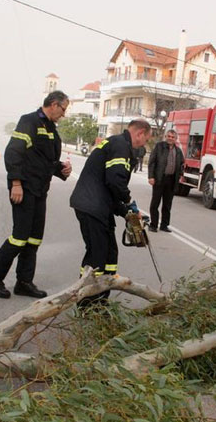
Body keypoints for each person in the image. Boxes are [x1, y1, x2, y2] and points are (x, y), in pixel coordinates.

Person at [0, 91, 73, 299]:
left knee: (34, 238)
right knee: (19, 237)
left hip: (40, 190)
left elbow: (43, 159)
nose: (64, 114)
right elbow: (14, 153)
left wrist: (61, 169)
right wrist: (16, 183)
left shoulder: (50, 128)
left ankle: (24, 282)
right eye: (64, 109)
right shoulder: (29, 121)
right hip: (24, 188)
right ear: (54, 104)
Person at [69, 119, 152, 308]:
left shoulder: (116, 143)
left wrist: (126, 213)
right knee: (97, 256)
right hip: (92, 205)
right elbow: (116, 181)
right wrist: (129, 203)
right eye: (145, 140)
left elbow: (110, 186)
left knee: (109, 254)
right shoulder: (121, 146)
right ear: (139, 133)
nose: (143, 145)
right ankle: (87, 304)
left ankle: (100, 300)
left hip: (98, 205)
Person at [147, 129, 184, 233]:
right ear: (165, 137)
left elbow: (181, 164)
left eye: (172, 137)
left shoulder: (178, 151)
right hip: (159, 178)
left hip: (171, 180)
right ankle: (153, 225)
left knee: (167, 205)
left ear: (176, 139)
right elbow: (152, 162)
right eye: (169, 136)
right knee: (155, 203)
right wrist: (151, 176)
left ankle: (164, 225)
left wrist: (180, 174)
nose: (170, 138)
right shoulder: (159, 147)